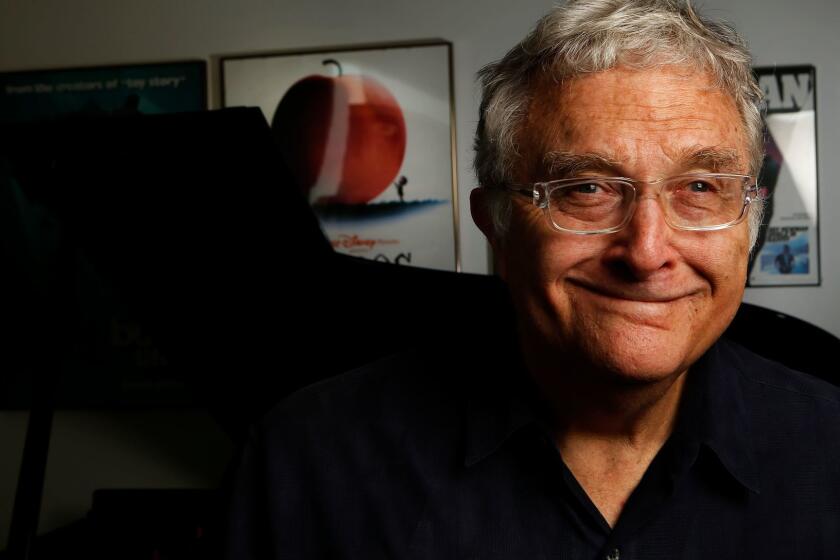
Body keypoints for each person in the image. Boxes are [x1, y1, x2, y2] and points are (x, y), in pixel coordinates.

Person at [226, 1, 840, 557]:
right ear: (495, 222)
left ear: (750, 218)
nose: (648, 251)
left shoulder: (829, 450)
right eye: (587, 189)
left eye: (701, 188)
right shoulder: (307, 464)